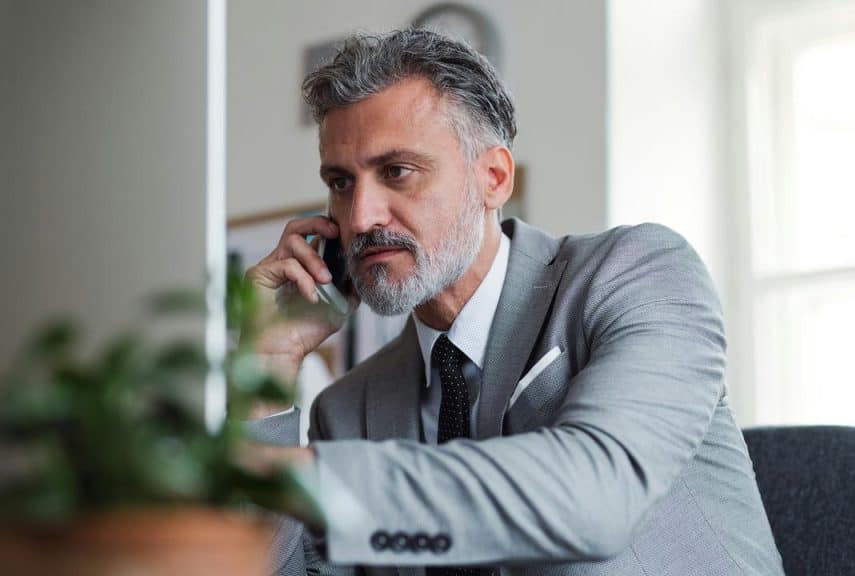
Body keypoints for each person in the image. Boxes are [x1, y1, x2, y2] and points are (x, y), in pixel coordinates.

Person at [243, 29, 784, 576]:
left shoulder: (639, 274)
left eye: (396, 172)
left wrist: (290, 475)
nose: (360, 218)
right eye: (341, 182)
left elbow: (595, 499)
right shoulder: (348, 410)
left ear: (494, 178)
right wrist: (266, 366)